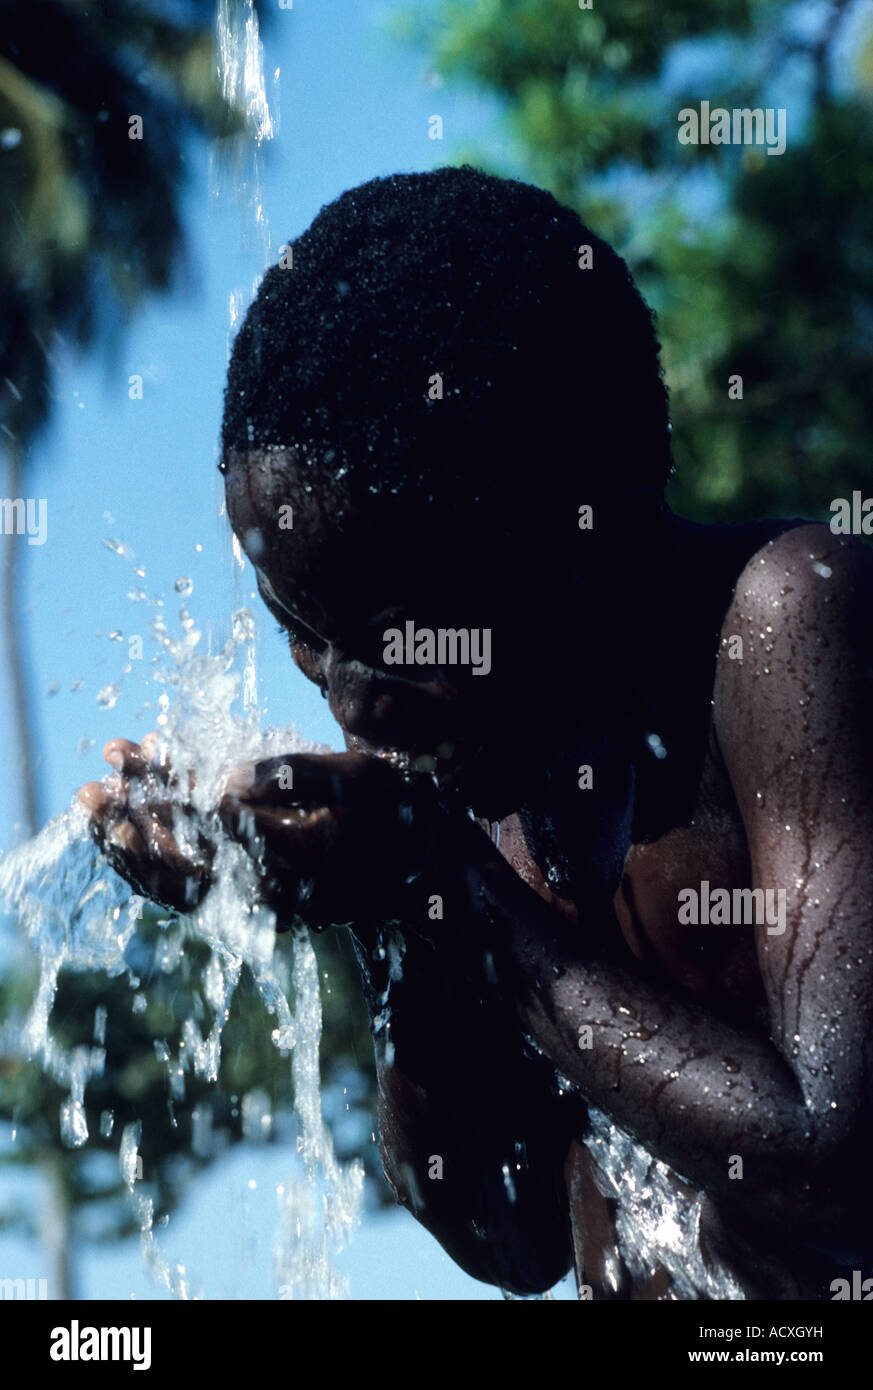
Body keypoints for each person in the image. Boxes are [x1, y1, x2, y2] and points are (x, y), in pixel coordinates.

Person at [78, 166, 873, 1299]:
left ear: (591, 558)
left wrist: (440, 879)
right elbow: (509, 1241)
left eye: (403, 637)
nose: (353, 702)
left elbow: (837, 1172)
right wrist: (390, 905)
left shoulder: (788, 620)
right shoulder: (487, 785)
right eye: (303, 631)